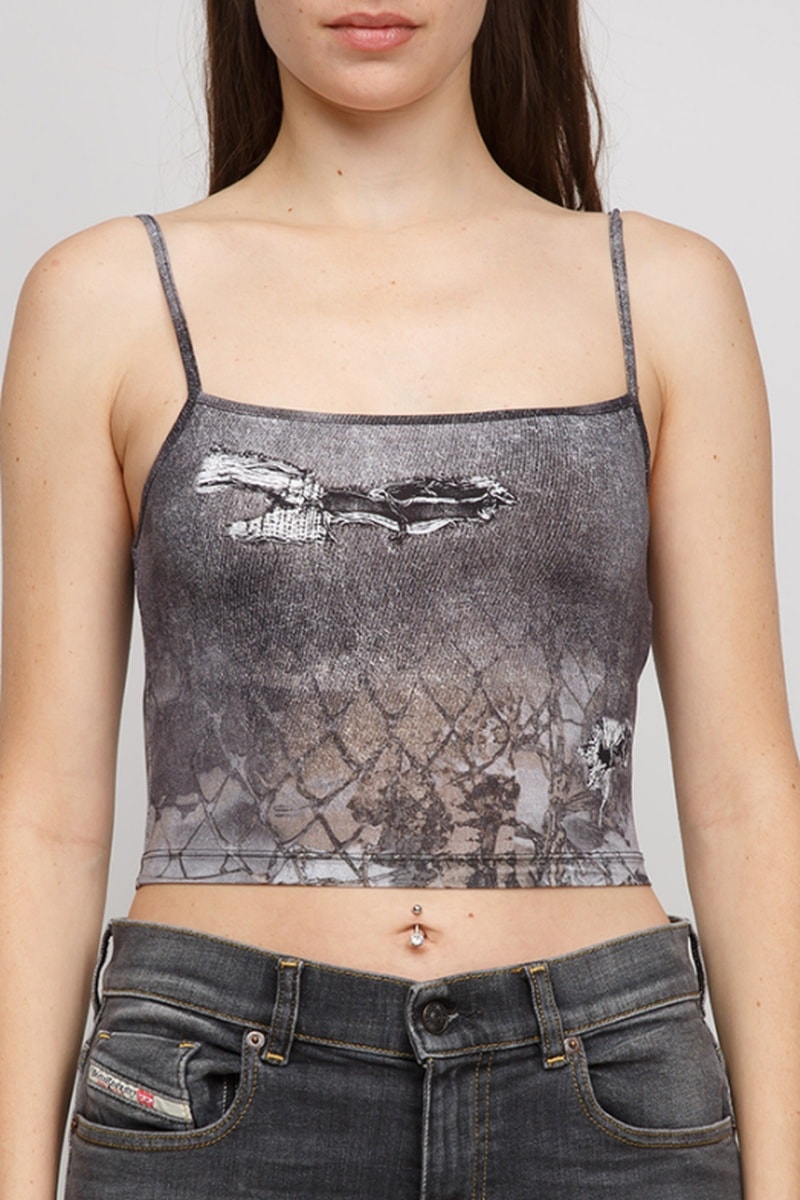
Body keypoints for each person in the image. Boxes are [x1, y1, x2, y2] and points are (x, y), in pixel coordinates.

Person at [1, 1, 798, 1196]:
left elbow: (742, 795)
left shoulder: (667, 295)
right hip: (212, 1089)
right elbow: (46, 808)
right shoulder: (103, 297)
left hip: (602, 1094)